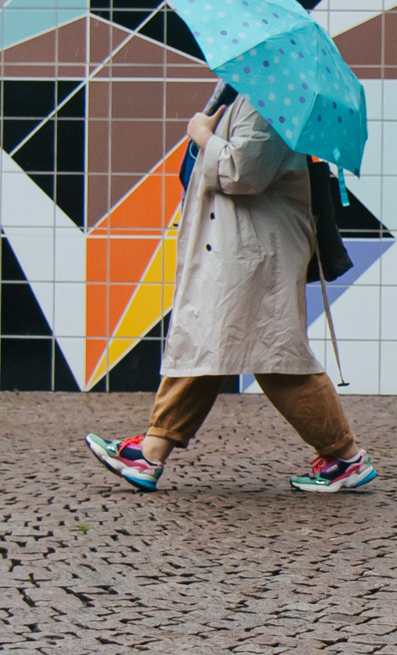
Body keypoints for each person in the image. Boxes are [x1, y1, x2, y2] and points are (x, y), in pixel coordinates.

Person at [85, 93, 376, 494]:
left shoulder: (269, 103)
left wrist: (204, 136)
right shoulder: (255, 96)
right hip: (242, 247)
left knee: (272, 353)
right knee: (217, 342)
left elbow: (244, 173)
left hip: (253, 251)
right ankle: (150, 453)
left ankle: (345, 457)